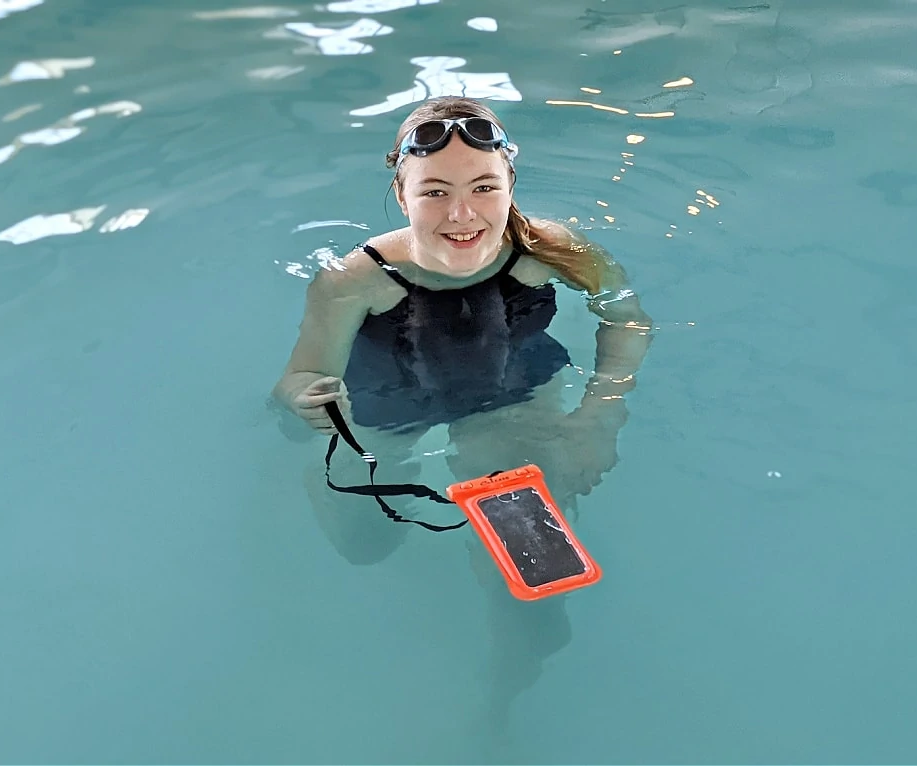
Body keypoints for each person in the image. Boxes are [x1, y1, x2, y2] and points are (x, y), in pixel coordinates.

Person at [273, 95, 653, 724]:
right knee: (364, 547)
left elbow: (629, 319)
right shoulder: (351, 282)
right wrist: (300, 402)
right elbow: (295, 385)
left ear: (510, 183)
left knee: (532, 592)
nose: (461, 213)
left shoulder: (551, 249)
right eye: (434, 191)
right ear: (401, 193)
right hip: (390, 409)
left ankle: (506, 697)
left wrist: (599, 414)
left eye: (483, 186)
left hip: (511, 404)